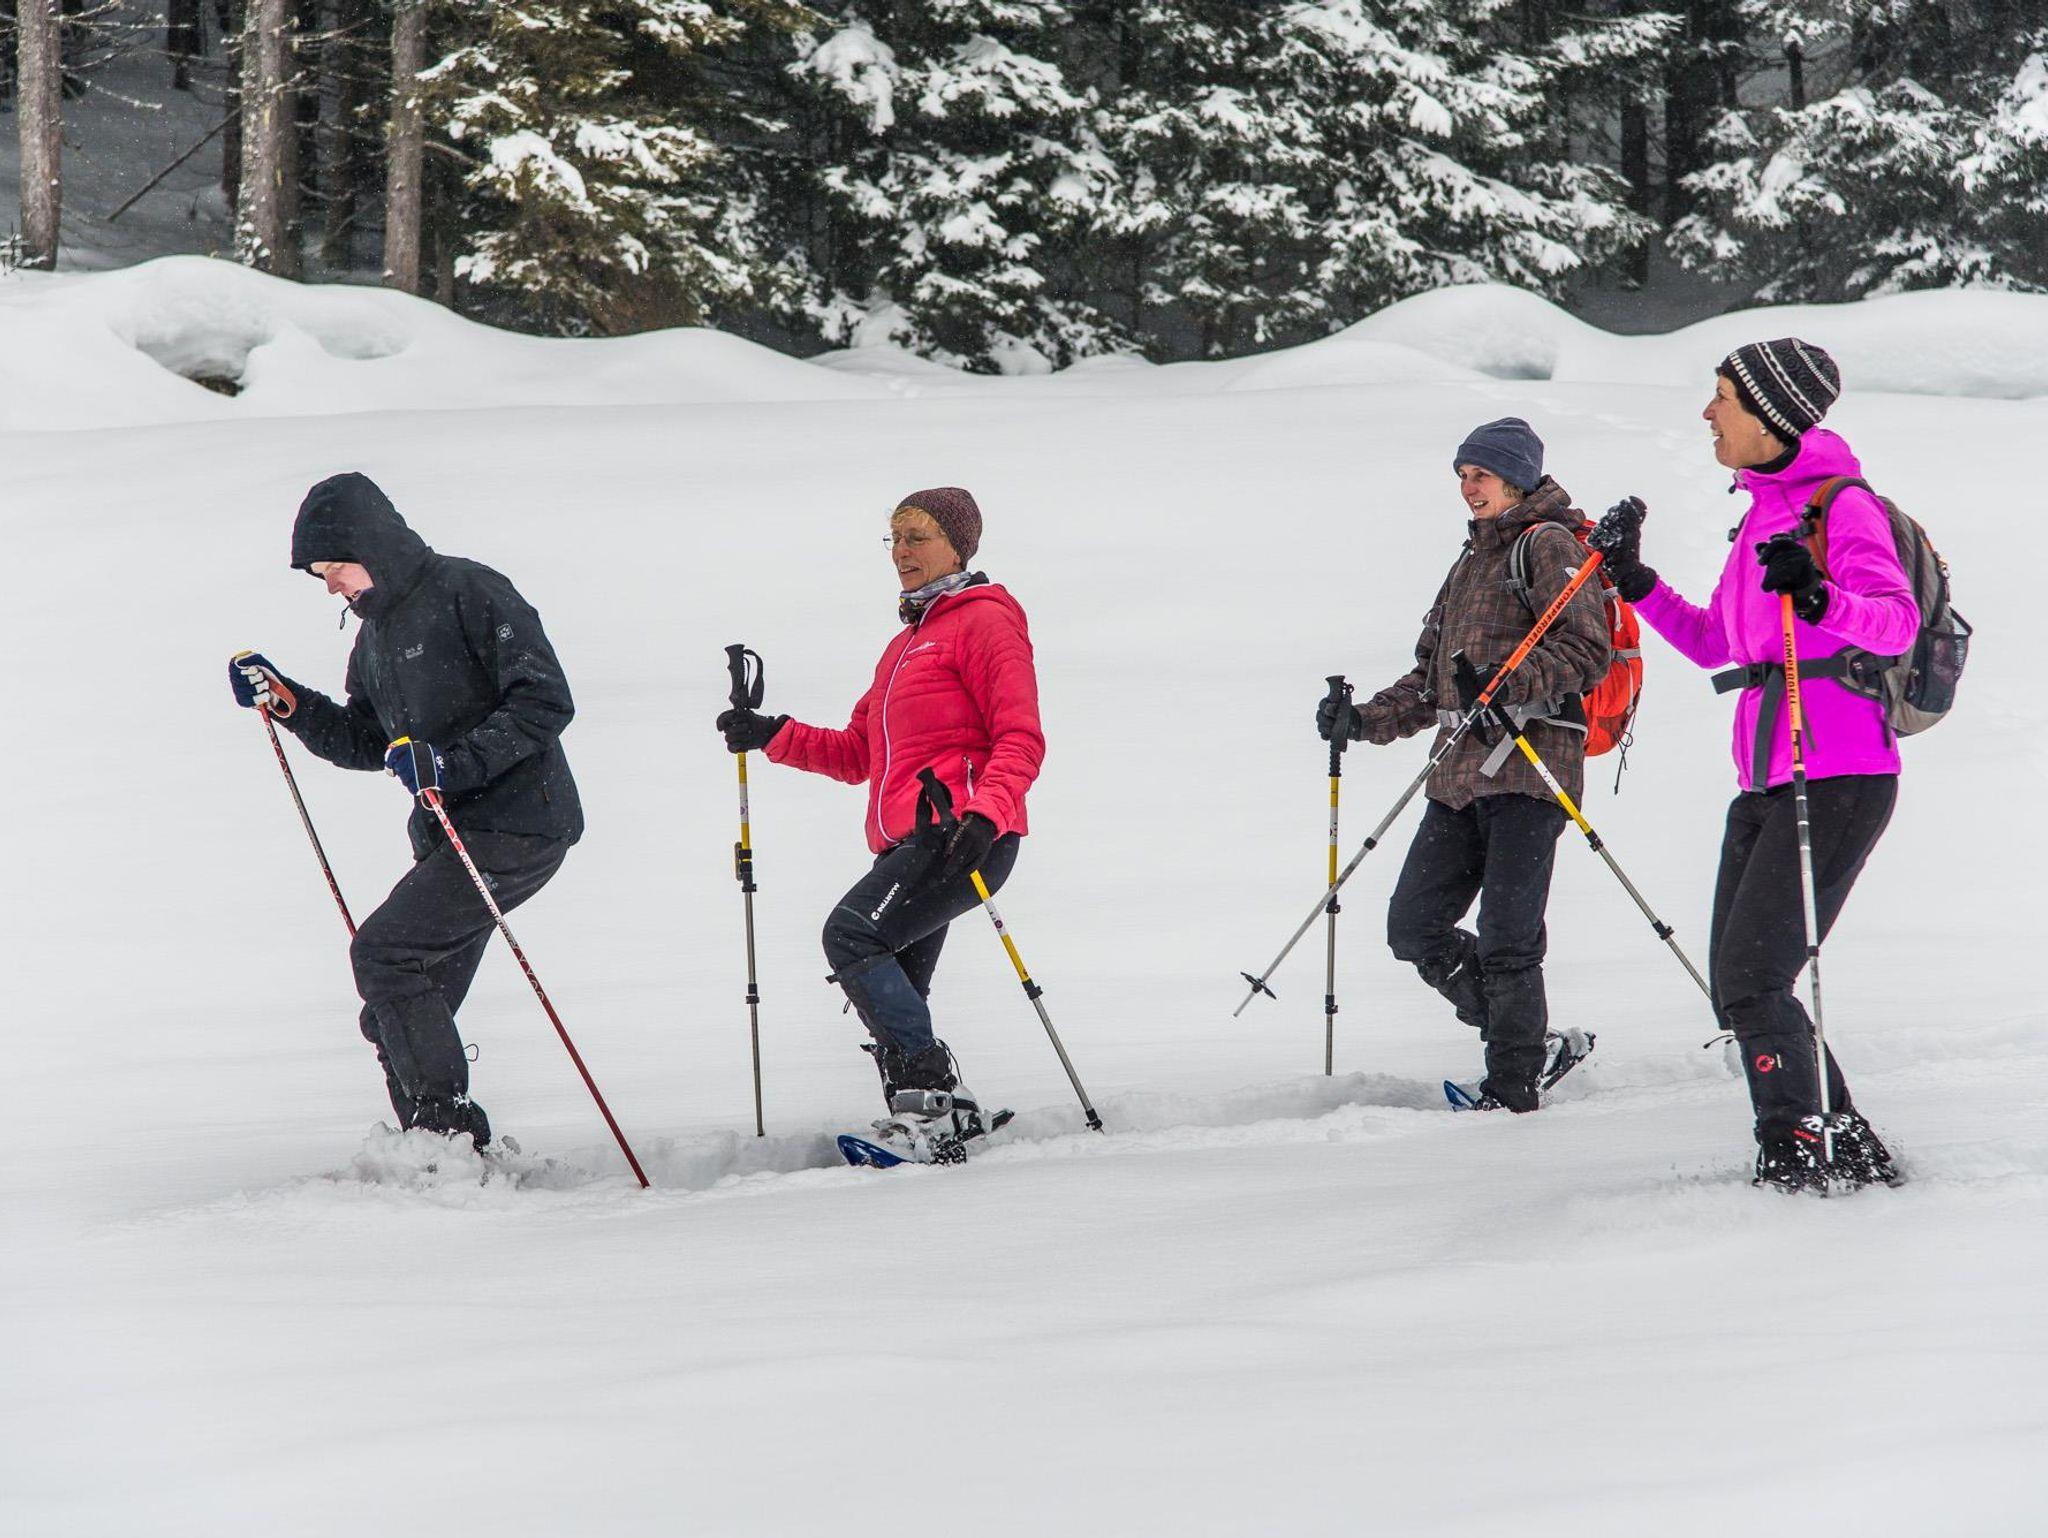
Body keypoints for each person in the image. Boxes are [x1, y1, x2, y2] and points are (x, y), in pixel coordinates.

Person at [1589, 339, 1915, 1191]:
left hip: (1839, 772)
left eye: (1723, 397)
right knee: (1736, 984)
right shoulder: (1764, 514)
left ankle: (1798, 1147)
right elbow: (1717, 643)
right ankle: (1843, 1141)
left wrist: (1819, 595)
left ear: (1771, 416)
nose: (1708, 413)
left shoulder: (1842, 507)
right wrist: (1635, 580)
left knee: (1753, 975)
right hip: (1768, 778)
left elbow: (1895, 623)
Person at [229, 472, 582, 1149]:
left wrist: (451, 764)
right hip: (450, 836)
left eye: (334, 568)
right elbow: (366, 741)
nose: (331, 586)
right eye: (321, 577)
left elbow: (545, 700)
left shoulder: (469, 590)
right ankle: (441, 1149)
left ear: (371, 544)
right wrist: (287, 701)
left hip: (521, 823)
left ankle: (444, 1136)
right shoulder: (375, 638)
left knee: (386, 955)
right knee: (397, 1001)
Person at [716, 488, 1045, 1160]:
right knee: (894, 979)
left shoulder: (985, 622)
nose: (901, 552)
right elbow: (857, 754)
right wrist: (772, 733)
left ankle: (935, 1104)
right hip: (914, 839)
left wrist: (986, 816)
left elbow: (1021, 736)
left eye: (917, 537)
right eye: (894, 539)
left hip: (962, 835)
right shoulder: (905, 646)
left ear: (958, 545)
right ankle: (926, 1121)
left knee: (851, 935)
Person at [1319, 419, 1610, 1111]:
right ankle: (1530, 1042)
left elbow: (1586, 650)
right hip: (1457, 779)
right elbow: (1432, 682)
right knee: (1413, 926)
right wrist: (1363, 721)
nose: (1468, 487)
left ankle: (1513, 1086)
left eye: (1481, 474)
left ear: (1517, 478)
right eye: (1462, 475)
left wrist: (1508, 682)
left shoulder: (1549, 545)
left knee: (1509, 938)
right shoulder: (1470, 560)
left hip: (1530, 769)